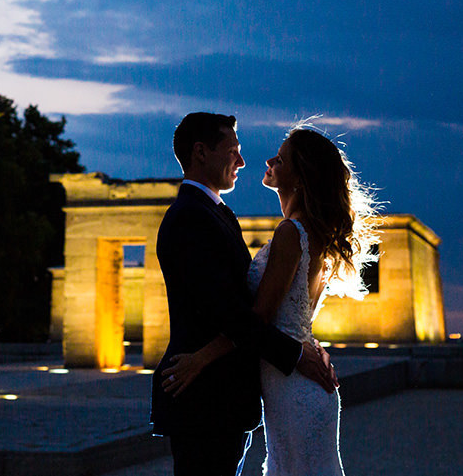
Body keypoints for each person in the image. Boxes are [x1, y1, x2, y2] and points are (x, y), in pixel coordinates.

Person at [161, 122, 381, 475]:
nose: (261, 161)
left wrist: (202, 357)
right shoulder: (306, 232)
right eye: (233, 151)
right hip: (285, 386)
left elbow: (258, 315)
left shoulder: (291, 232)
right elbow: (263, 315)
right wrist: (303, 349)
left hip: (290, 388)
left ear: (300, 176)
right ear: (201, 152)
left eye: (280, 158)